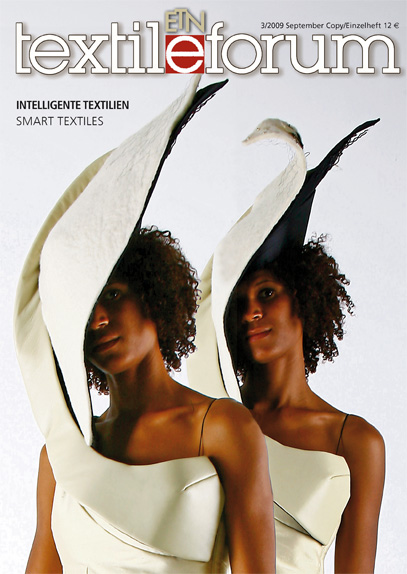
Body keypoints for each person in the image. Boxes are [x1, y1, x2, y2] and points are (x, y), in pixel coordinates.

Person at [186, 117, 385, 573]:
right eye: (239, 303)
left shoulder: (355, 442)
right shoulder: (210, 420)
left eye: (266, 293)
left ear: (304, 297)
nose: (251, 312)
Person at [26, 227, 275, 573]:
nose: (98, 319)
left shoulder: (223, 429)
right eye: (85, 307)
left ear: (153, 296)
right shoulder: (61, 454)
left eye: (113, 295)